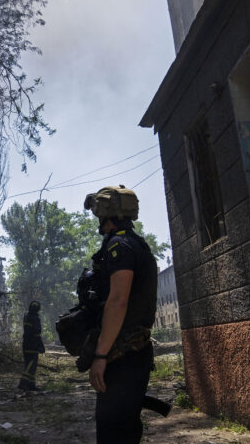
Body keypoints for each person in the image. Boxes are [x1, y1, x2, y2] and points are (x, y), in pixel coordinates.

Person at [83, 185, 158, 444]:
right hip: (135, 352)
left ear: (107, 213)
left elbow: (117, 301)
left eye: (98, 211)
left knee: (113, 432)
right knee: (126, 430)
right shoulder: (137, 245)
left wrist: (101, 356)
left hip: (122, 354)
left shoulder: (119, 247)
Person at [18, 300, 45, 390]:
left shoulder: (26, 316)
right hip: (33, 345)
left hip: (26, 343)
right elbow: (37, 333)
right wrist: (41, 345)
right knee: (32, 365)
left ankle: (31, 385)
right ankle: (23, 383)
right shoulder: (35, 318)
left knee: (28, 364)